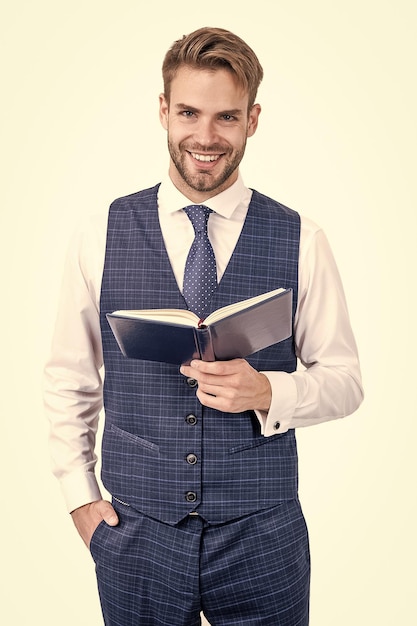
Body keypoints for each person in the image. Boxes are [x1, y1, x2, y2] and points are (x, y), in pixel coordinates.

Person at [44, 26, 363, 626]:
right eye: (189, 112)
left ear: (253, 119)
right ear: (163, 110)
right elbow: (69, 379)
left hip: (264, 536)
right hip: (136, 535)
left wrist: (273, 391)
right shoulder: (99, 234)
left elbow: (345, 380)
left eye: (227, 117)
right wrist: (80, 499)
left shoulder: (303, 239)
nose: (206, 137)